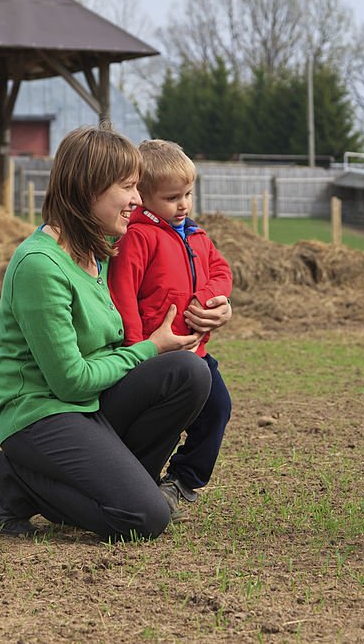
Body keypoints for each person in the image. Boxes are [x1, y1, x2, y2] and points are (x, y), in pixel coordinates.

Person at [0, 124, 211, 541]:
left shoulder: (98, 252)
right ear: (89, 189)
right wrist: (147, 348)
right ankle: (14, 479)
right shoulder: (40, 265)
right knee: (145, 518)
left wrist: (214, 305)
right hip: (43, 414)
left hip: (90, 405)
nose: (138, 200)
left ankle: (124, 484)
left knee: (189, 373)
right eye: (128, 187)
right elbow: (70, 382)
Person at [108, 139, 233, 521]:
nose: (183, 205)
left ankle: (182, 482)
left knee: (218, 410)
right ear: (142, 197)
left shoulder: (196, 235)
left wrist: (210, 299)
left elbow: (222, 271)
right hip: (153, 356)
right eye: (171, 197)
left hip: (194, 351)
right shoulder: (138, 238)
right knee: (163, 421)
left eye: (188, 194)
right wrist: (136, 347)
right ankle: (133, 481)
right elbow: (123, 291)